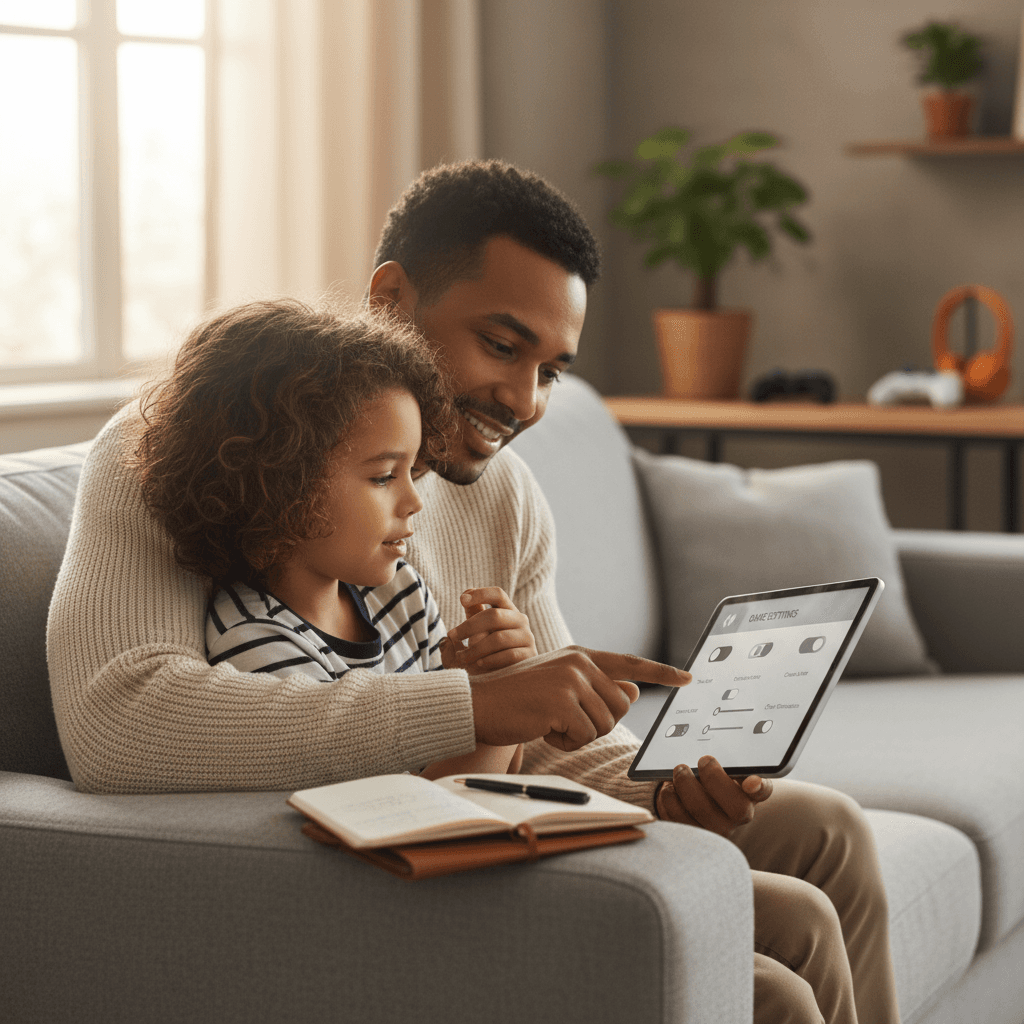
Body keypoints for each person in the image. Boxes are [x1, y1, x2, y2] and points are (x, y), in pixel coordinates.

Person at [48, 159, 898, 1023]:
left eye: (552, 370)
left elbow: (536, 744)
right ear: (389, 299)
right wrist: (473, 705)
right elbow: (122, 722)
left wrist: (662, 787)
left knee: (829, 831)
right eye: (501, 345)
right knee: (775, 980)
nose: (525, 402)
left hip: (476, 809)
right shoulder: (182, 450)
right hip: (368, 863)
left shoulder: (500, 494)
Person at [131, 299, 531, 778]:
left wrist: (502, 681)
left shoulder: (400, 592)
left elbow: (497, 780)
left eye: (413, 471)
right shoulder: (256, 639)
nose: (414, 500)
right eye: (384, 476)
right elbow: (424, 810)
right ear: (282, 485)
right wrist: (501, 706)